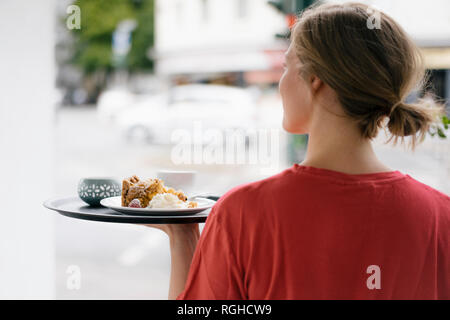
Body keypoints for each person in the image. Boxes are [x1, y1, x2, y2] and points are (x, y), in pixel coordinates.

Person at [148, 2, 449, 299]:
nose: (280, 83)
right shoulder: (441, 216)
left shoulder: (243, 214)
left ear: (315, 80)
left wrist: (183, 238)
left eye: (285, 66)